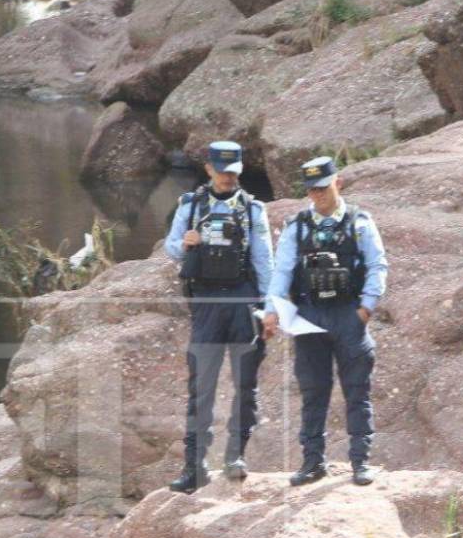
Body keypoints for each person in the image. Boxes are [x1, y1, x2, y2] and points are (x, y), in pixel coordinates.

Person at [262, 156, 388, 487]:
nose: (317, 195)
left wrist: (366, 308)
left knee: (357, 391)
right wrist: (272, 310)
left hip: (349, 314)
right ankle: (313, 462)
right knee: (313, 391)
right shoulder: (297, 226)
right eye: (311, 190)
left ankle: (360, 462)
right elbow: (283, 271)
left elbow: (378, 266)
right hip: (309, 317)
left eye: (322, 187)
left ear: (338, 183)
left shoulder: (360, 222)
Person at [164, 141, 274, 493]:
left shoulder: (254, 210)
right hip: (206, 303)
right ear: (209, 169)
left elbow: (264, 261)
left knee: (245, 383)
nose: (228, 178)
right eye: (223, 171)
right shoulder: (190, 205)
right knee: (201, 386)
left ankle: (235, 456)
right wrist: (186, 242)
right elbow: (170, 248)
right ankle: (193, 467)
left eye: (234, 172)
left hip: (243, 299)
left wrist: (269, 309)